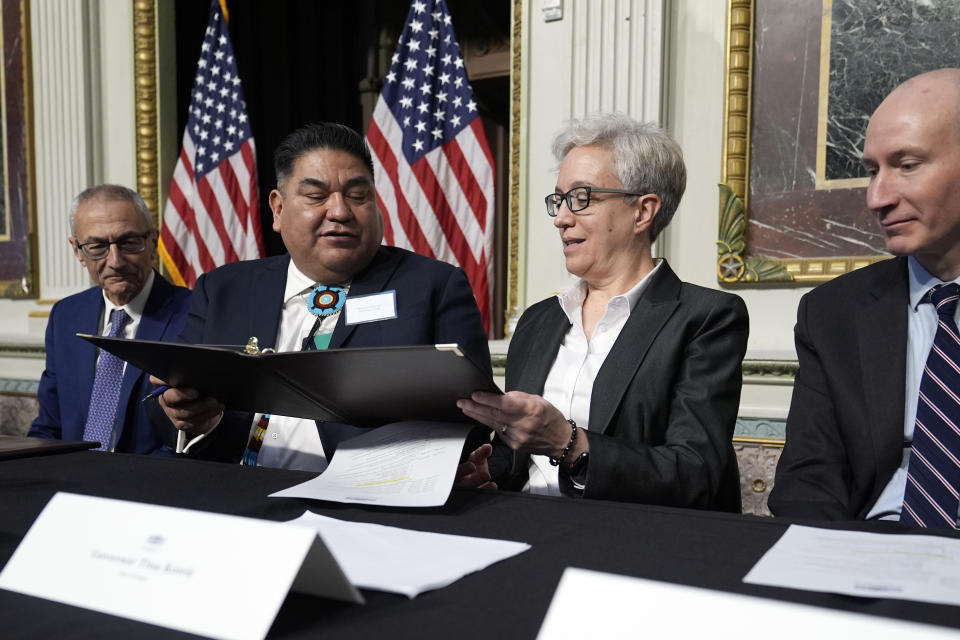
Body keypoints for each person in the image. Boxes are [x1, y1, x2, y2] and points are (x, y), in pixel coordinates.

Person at [153, 122, 491, 470]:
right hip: (237, 496)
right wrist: (189, 417)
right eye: (317, 197)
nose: (340, 212)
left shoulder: (432, 288)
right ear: (278, 209)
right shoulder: (223, 289)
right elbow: (166, 410)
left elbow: (476, 419)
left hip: (367, 506)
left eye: (358, 196)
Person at [457, 114, 749, 509]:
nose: (561, 218)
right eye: (559, 200)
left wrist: (568, 443)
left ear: (642, 212)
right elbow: (519, 462)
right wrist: (489, 475)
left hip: (632, 544)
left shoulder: (706, 318)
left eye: (581, 198)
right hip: (521, 528)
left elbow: (694, 474)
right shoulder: (538, 320)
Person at [770, 68, 960, 528]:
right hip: (866, 553)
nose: (877, 197)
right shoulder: (833, 313)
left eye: (907, 165)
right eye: (872, 170)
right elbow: (807, 482)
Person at [29, 185, 190, 454]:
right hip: (71, 481)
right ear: (78, 251)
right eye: (97, 246)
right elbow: (49, 426)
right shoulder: (65, 316)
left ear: (152, 242)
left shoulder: (194, 313)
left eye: (129, 242)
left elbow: (189, 438)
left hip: (150, 485)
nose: (115, 261)